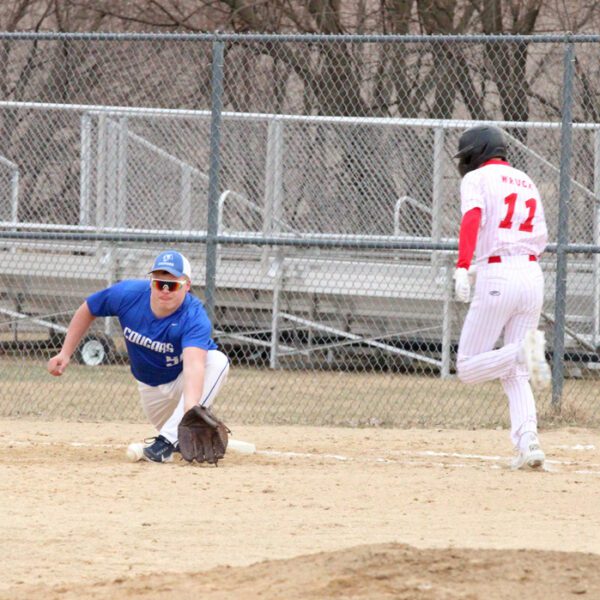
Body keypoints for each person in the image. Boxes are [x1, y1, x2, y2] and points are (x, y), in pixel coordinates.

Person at [47, 250, 230, 463]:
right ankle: (173, 438)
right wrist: (65, 352)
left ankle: (166, 442)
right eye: (158, 282)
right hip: (150, 388)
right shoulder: (129, 294)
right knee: (177, 438)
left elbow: (194, 367)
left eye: (171, 284)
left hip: (183, 381)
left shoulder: (194, 317)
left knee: (218, 361)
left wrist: (190, 411)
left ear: (187, 286)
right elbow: (89, 308)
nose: (164, 290)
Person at [452, 125, 551, 471]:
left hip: (499, 277)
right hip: (532, 276)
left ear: (478, 152)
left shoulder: (477, 179)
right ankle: (529, 442)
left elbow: (473, 219)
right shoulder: (525, 180)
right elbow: (538, 237)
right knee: (517, 372)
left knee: (467, 366)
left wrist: (464, 265)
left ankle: (524, 350)